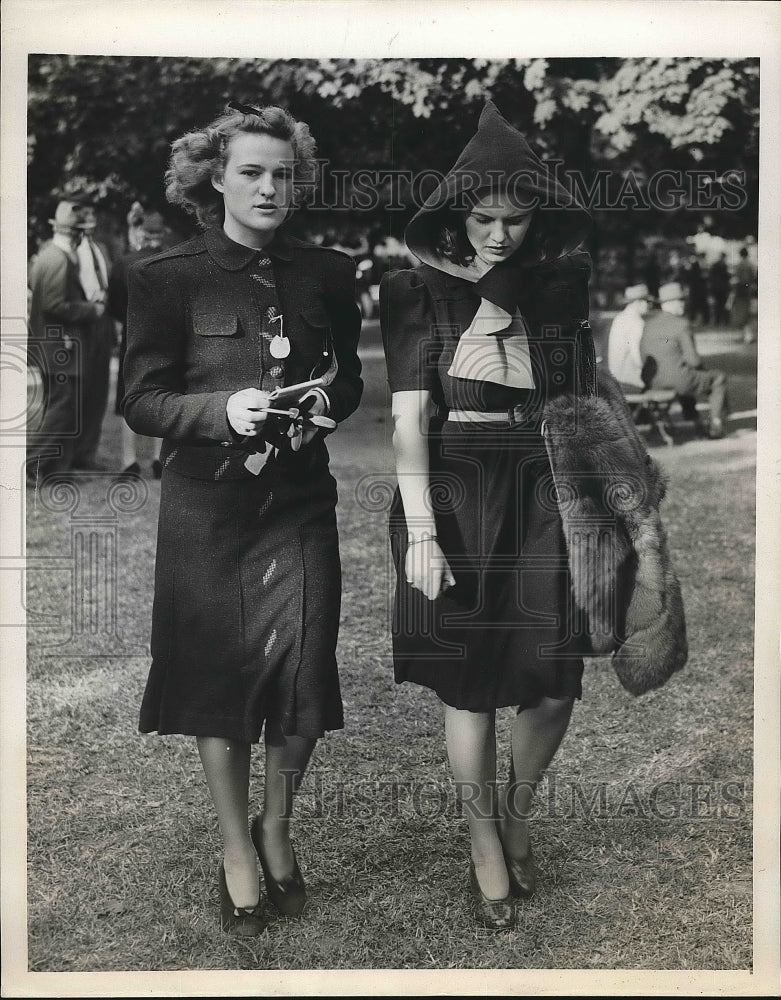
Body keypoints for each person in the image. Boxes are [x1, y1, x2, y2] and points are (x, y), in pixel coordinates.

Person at [122, 102, 363, 934]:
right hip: (208, 511)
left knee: (301, 674)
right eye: (251, 171)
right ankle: (234, 848)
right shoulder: (164, 277)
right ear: (213, 178)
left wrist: (326, 401)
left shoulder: (329, 273)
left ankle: (275, 824)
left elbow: (349, 379)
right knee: (216, 682)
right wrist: (224, 407)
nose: (269, 187)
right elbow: (141, 399)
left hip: (300, 505)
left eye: (282, 173)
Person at [380, 102, 596, 930]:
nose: (500, 234)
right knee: (467, 685)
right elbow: (405, 420)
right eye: (483, 218)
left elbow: (577, 403)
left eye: (515, 217)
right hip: (456, 493)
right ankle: (480, 846)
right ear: (455, 218)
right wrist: (423, 531)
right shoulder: (414, 292)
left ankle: (514, 811)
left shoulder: (559, 285)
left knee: (553, 678)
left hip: (541, 487)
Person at [27, 200, 107, 485]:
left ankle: (54, 471)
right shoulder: (59, 259)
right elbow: (53, 304)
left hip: (54, 348)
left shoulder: (47, 255)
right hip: (61, 348)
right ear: (74, 234)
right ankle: (31, 465)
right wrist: (91, 309)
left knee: (59, 407)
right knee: (62, 409)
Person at [107, 208, 168, 478]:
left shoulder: (124, 262)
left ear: (142, 232)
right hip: (166, 338)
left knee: (127, 397)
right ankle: (158, 458)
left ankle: (129, 461)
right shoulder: (172, 260)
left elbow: (114, 305)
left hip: (132, 337)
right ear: (162, 233)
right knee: (163, 395)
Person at [640, 281, 729, 438]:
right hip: (680, 380)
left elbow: (643, 355)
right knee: (718, 378)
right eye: (681, 300)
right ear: (671, 303)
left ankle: (695, 421)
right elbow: (693, 361)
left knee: (685, 375)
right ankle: (716, 424)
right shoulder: (682, 324)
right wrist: (702, 369)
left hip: (652, 381)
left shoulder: (648, 324)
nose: (684, 304)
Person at [73, 201, 115, 470]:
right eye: (83, 215)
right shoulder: (70, 251)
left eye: (91, 215)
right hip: (81, 324)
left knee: (99, 390)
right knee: (79, 390)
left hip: (104, 323)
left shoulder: (101, 249)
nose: (89, 220)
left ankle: (88, 453)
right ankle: (71, 454)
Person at [606, 283, 650, 391]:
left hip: (615, 379)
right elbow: (638, 358)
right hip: (629, 383)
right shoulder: (636, 321)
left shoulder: (619, 318)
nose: (649, 305)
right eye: (647, 301)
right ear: (638, 302)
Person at [731, 247, 757, 345]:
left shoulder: (740, 265)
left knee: (742, 314)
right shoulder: (751, 264)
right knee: (749, 314)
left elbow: (742, 279)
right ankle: (748, 335)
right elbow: (753, 278)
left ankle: (746, 335)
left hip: (742, 292)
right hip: (749, 291)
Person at [708, 252, 731, 328]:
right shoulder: (724, 265)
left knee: (717, 305)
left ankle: (717, 321)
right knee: (723, 305)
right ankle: (724, 321)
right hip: (723, 288)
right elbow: (726, 277)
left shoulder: (714, 265)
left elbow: (711, 277)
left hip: (715, 288)